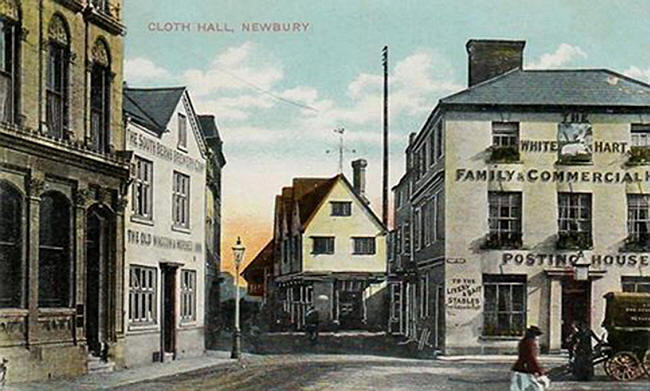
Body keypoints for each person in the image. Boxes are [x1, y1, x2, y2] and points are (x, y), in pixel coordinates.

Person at [511, 326, 550, 391]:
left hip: (520, 369)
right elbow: (531, 358)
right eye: (537, 335)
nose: (538, 337)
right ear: (533, 335)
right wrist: (539, 371)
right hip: (526, 370)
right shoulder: (530, 343)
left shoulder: (524, 341)